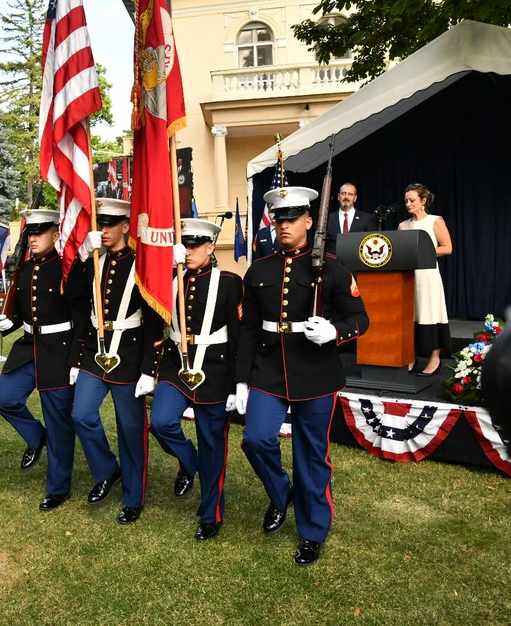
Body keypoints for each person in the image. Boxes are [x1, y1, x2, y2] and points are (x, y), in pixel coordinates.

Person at [236, 185, 369, 566]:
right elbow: (248, 329)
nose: (284, 225)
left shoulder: (331, 267)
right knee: (256, 439)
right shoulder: (260, 269)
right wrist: (242, 380)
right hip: (269, 368)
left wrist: (335, 332)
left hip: (315, 371)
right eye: (279, 218)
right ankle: (282, 495)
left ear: (310, 221)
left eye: (292, 218)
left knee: (311, 455)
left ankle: (312, 530)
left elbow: (361, 318)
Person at [65, 199, 164, 525]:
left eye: (110, 224)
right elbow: (73, 296)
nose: (103, 230)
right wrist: (82, 256)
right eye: (100, 224)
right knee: (81, 414)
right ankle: (107, 471)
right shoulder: (95, 258)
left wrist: (150, 369)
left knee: (131, 429)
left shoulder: (140, 263)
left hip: (131, 355)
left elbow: (153, 322)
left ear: (125, 226)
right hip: (95, 352)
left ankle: (133, 498)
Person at [149, 219, 243, 541]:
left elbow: (238, 337)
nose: (188, 251)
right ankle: (189, 462)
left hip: (216, 369)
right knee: (160, 422)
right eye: (184, 245)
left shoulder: (230, 282)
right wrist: (166, 266)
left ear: (211, 247)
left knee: (213, 443)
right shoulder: (172, 280)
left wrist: (237, 383)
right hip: (176, 364)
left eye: (195, 245)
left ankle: (210, 514)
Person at [0, 209, 80, 511]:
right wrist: (10, 321)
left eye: (39, 232)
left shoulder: (68, 268)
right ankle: (36, 437)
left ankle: (58, 487)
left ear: (56, 235)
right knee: (4, 398)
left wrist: (76, 358)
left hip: (59, 349)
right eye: (30, 232)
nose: (33, 238)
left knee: (59, 423)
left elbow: (80, 318)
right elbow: (24, 309)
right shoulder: (26, 268)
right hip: (29, 347)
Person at [398, 183, 452, 375]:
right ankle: (410, 357)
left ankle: (435, 358)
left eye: (412, 200)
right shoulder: (403, 225)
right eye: (406, 200)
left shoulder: (435, 221)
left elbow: (447, 247)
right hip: (409, 277)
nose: (408, 204)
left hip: (427, 276)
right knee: (411, 316)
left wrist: (424, 252)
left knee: (431, 313)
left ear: (423, 201)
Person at [326, 183, 376, 257]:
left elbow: (373, 243)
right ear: (338, 197)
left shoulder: (367, 218)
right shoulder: (327, 218)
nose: (346, 197)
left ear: (355, 198)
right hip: (333, 263)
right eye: (343, 193)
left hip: (358, 262)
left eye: (350, 194)